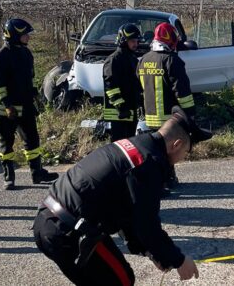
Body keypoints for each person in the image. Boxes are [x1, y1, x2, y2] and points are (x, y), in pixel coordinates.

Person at [33, 107, 210, 285]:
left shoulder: (137, 146)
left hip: (51, 220)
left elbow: (126, 213)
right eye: (186, 153)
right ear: (176, 144)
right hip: (68, 232)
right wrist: (178, 260)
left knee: (118, 278)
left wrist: (151, 252)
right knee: (122, 281)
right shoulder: (147, 164)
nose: (182, 159)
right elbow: (146, 224)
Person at [0, 18, 58, 189]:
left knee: (33, 141)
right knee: (6, 143)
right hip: (7, 111)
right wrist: (7, 105)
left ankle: (37, 173)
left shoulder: (26, 53)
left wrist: (36, 98)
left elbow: (28, 80)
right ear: (13, 35)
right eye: (25, 34)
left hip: (25, 107)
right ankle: (9, 177)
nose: (28, 37)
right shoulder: (1, 56)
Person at [138, 23, 195, 189]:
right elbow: (182, 91)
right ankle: (166, 179)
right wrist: (189, 113)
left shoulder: (144, 59)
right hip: (168, 118)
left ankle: (155, 180)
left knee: (153, 149)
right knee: (168, 150)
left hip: (149, 116)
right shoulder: (172, 60)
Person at [102, 24, 143, 142]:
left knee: (129, 146)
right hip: (118, 114)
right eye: (132, 41)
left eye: (137, 41)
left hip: (130, 112)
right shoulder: (114, 60)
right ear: (123, 41)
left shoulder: (132, 59)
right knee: (118, 148)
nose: (136, 44)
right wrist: (121, 107)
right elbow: (110, 86)